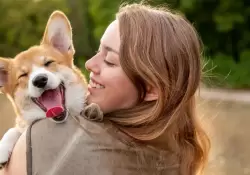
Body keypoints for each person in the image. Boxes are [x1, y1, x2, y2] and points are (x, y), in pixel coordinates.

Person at [2, 2, 210, 175]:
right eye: (97, 51)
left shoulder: (46, 140)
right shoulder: (178, 154)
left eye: (109, 60)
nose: (89, 64)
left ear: (150, 89)